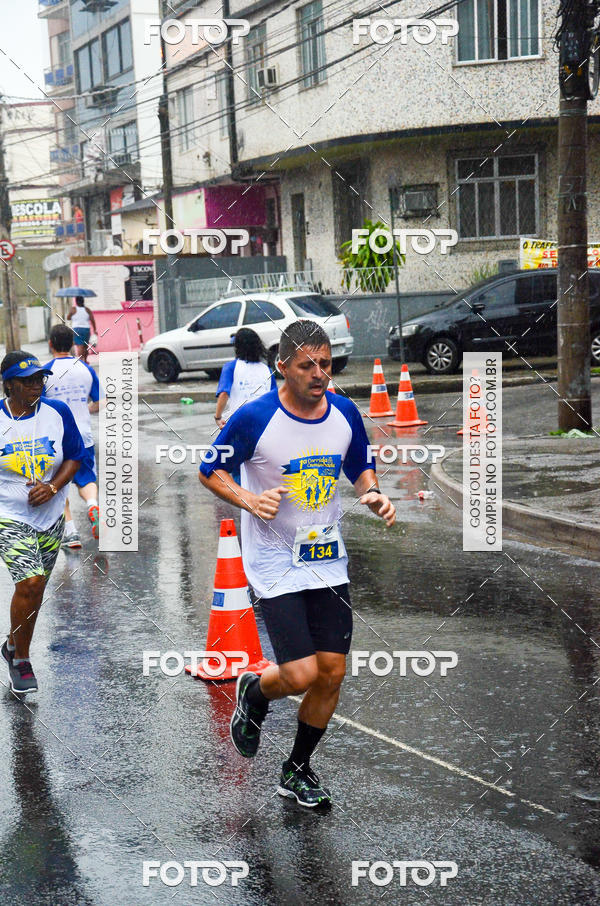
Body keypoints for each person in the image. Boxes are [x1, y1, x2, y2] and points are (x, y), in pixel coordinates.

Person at [199, 320, 395, 807]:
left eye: (325, 364)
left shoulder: (345, 411)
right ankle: (255, 693)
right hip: (273, 563)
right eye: (307, 364)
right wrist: (248, 498)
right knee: (302, 673)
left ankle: (297, 769)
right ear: (282, 365)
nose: (319, 373)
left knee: (332, 672)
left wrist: (370, 492)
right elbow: (211, 470)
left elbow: (358, 463)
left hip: (327, 560)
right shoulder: (253, 417)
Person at [0, 351, 85, 694]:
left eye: (40, 379)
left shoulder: (57, 413)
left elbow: (77, 457)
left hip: (50, 518)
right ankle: (21, 659)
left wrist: (53, 487)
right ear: (9, 385)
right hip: (8, 514)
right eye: (28, 380)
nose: (37, 385)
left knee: (35, 593)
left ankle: (10, 644)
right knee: (31, 582)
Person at [44, 324, 101, 547]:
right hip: (83, 435)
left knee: (59, 484)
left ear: (50, 344)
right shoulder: (86, 369)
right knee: (87, 478)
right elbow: (100, 401)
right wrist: (85, 409)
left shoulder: (45, 371)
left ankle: (71, 533)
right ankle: (93, 505)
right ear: (73, 345)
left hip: (55, 439)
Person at [214, 327, 276, 429]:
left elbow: (224, 393)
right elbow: (275, 397)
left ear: (237, 347)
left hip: (239, 421)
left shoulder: (231, 367)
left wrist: (218, 417)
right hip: (263, 422)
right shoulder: (267, 370)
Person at [66, 296, 96, 363]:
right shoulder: (87, 309)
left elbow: (68, 317)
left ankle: (81, 361)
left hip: (77, 329)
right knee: (85, 346)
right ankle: (85, 360)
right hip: (86, 329)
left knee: (79, 346)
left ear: (76, 302)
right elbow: (92, 320)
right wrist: (95, 330)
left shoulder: (73, 309)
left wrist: (74, 317)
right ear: (83, 301)